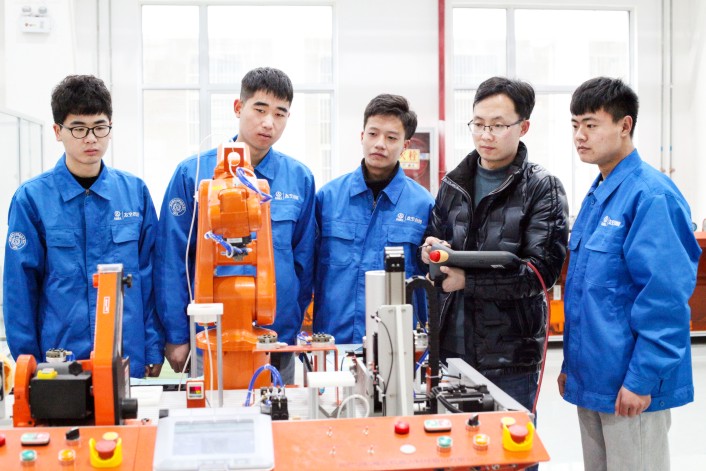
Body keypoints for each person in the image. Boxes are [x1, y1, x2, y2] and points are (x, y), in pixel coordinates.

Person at [559, 77, 700, 470]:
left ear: (625, 125)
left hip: (630, 385)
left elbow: (665, 299)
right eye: (575, 125)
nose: (580, 136)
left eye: (591, 124)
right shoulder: (599, 194)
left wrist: (642, 379)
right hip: (594, 381)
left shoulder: (651, 196)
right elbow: (588, 296)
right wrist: (572, 369)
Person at [421, 76, 569, 418]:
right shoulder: (453, 183)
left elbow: (539, 274)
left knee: (508, 444)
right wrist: (429, 250)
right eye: (478, 124)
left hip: (509, 359)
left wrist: (467, 281)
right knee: (450, 442)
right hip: (450, 350)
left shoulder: (542, 188)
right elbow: (432, 239)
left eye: (498, 126)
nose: (485, 135)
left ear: (523, 127)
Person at [155, 67, 315, 384]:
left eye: (280, 113)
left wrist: (292, 325)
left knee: (278, 413)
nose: (269, 123)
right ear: (238, 107)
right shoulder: (193, 173)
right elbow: (172, 258)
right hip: (211, 338)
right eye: (260, 109)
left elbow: (304, 261)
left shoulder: (299, 179)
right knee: (212, 412)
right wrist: (177, 335)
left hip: (276, 340)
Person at [4, 74, 164, 378]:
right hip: (59, 363)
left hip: (126, 357)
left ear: (110, 127)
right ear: (58, 131)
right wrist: (29, 365)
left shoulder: (134, 193)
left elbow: (150, 277)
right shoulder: (33, 199)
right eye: (79, 128)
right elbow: (19, 291)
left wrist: (153, 347)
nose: (91, 138)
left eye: (99, 127)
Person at [313, 94, 434, 344]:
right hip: (334, 339)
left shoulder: (423, 204)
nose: (380, 144)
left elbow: (431, 277)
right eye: (373, 134)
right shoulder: (328, 198)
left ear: (405, 145)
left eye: (391, 138)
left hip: (399, 342)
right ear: (362, 136)